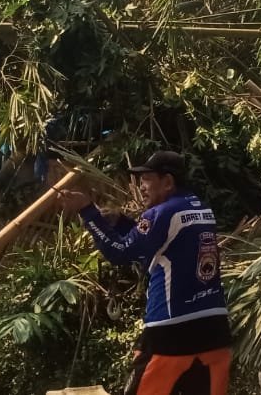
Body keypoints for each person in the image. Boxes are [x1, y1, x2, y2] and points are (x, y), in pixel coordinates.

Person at [58, 151, 232, 395]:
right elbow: (157, 245)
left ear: (168, 182)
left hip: (171, 331)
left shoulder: (161, 213)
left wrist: (87, 211)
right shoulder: (200, 209)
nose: (141, 187)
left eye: (147, 179)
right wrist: (120, 221)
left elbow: (119, 252)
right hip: (215, 328)